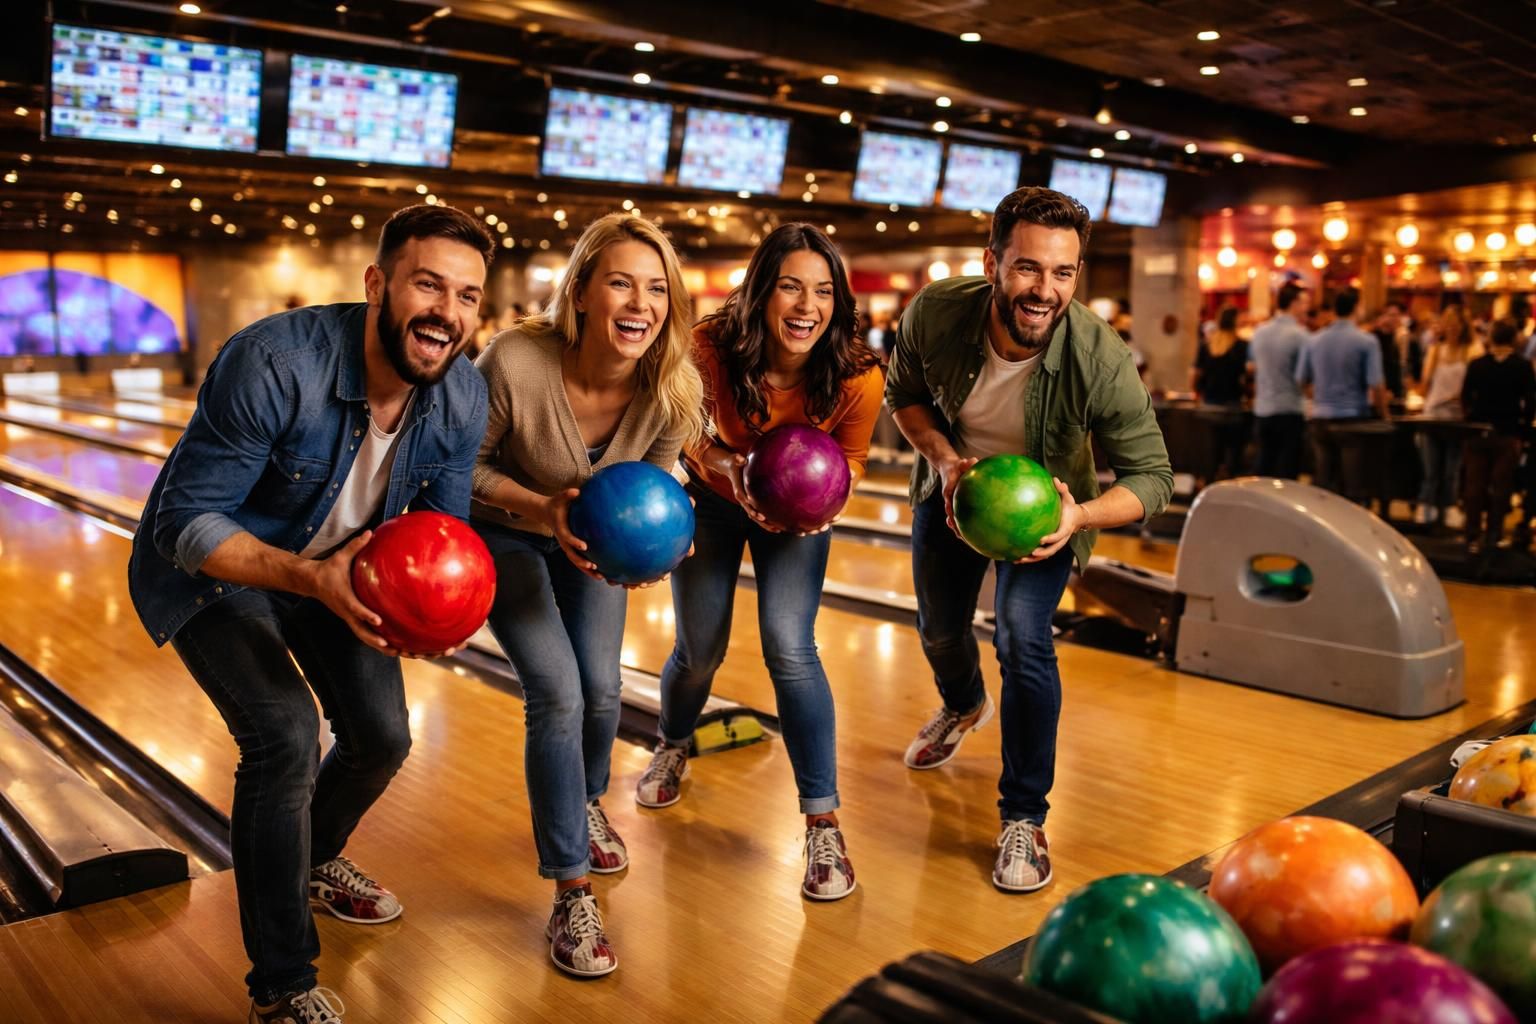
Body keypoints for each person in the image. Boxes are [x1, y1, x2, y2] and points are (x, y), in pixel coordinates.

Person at [127, 204, 495, 1023]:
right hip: (219, 570)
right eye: (428, 284)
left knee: (383, 737)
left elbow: (446, 533)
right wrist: (309, 578)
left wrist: (434, 611)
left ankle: (314, 858)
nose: (447, 312)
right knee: (288, 735)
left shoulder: (462, 397)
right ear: (378, 284)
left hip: (341, 572)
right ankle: (283, 986)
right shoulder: (274, 362)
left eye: (468, 296)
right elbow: (186, 525)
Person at [885, 187, 1172, 892]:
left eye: (1063, 273)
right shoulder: (936, 312)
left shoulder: (1099, 358)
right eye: (1027, 269)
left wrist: (1078, 519)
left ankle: (1024, 816)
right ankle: (961, 703)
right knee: (939, 632)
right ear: (993, 263)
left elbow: (1153, 477)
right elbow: (905, 395)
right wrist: (946, 462)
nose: (1045, 290)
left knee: (1021, 636)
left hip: (1049, 509)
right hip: (953, 490)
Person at [470, 213, 704, 978]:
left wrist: (663, 542)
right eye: (621, 283)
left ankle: (587, 797)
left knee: (604, 692)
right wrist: (541, 509)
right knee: (559, 695)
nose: (641, 303)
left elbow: (653, 486)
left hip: (593, 547)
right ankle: (571, 888)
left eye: (657, 288)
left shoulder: (672, 387)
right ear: (581, 292)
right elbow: (454, 471)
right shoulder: (515, 360)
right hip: (508, 534)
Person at [634, 223, 884, 901]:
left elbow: (854, 461)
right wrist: (729, 466)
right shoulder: (706, 348)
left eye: (824, 292)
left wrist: (824, 499)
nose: (807, 306)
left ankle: (822, 822)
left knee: (791, 647)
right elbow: (681, 428)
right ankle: (673, 742)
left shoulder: (857, 375)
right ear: (761, 292)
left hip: (796, 513)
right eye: (791, 287)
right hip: (715, 500)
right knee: (699, 649)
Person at [1296, 289, 1388, 499]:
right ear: (1357, 308)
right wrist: (1384, 414)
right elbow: (1376, 384)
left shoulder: (1314, 340)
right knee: (1352, 485)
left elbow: (1301, 379)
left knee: (1323, 483)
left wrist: (1317, 396)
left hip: (1320, 416)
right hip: (1351, 418)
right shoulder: (1366, 341)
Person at [1461, 318, 1536, 552]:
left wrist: (1472, 418)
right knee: (1501, 485)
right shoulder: (1522, 366)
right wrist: (1523, 428)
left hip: (1478, 430)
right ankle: (1494, 533)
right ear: (1514, 339)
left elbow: (1465, 396)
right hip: (1508, 431)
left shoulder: (1477, 364)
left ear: (1491, 337)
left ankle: (1472, 533)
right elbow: (1531, 401)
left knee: (1475, 484)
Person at [1415, 305, 1475, 526]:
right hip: (1433, 413)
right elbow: (1425, 384)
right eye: (1447, 323)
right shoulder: (1435, 350)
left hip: (1457, 417)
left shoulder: (1471, 350)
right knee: (1431, 468)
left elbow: (1470, 386)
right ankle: (1426, 505)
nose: (1451, 328)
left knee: (1452, 468)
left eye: (1455, 324)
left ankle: (1449, 506)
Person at [1248, 283, 1311, 478]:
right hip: (1290, 409)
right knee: (1287, 472)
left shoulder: (1259, 332)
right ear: (1295, 304)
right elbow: (1304, 377)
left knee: (1264, 468)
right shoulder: (1300, 335)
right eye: (1304, 302)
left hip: (1263, 408)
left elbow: (1252, 366)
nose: (1306, 308)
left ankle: (1260, 508)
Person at [1191, 306, 1251, 479]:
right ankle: (1230, 487)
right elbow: (1247, 376)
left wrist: (1197, 394)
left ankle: (1209, 484)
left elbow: (1195, 374)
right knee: (1233, 453)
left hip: (1209, 406)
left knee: (1212, 452)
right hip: (1232, 406)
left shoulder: (1207, 345)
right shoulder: (1241, 346)